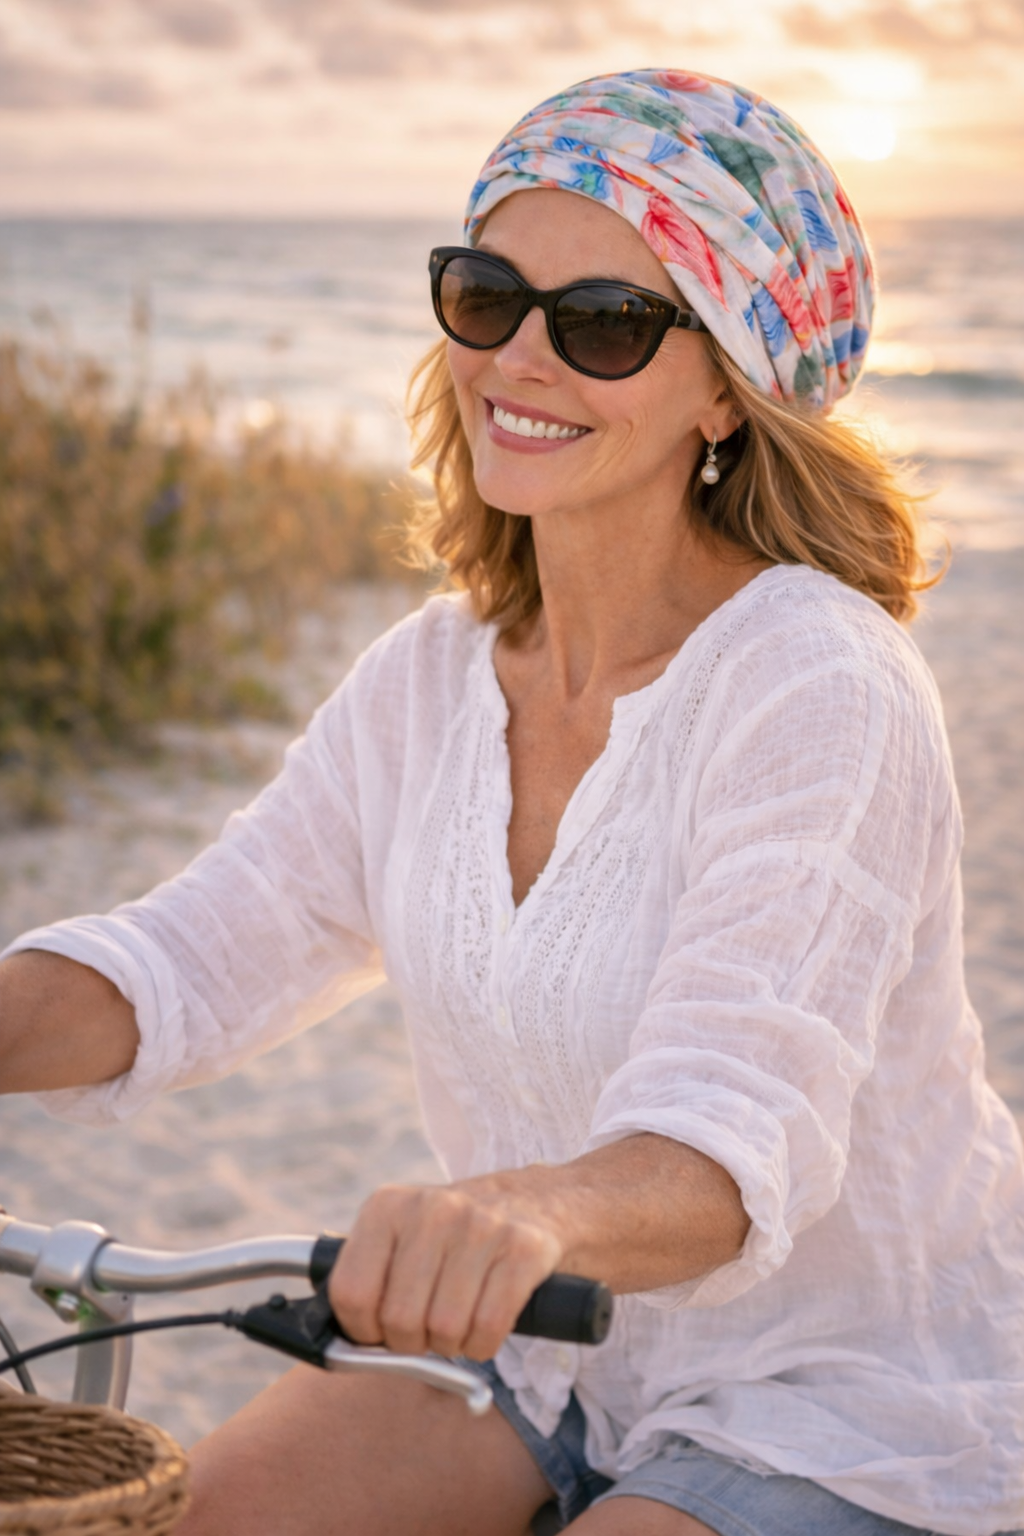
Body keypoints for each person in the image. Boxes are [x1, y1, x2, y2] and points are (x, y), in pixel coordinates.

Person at [1, 68, 1022, 1536]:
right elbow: (190, 958)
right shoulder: (429, 678)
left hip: (851, 1392)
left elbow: (731, 1140)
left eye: (605, 324)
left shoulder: (819, 684)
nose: (522, 360)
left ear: (728, 385)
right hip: (545, 1351)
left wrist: (528, 1212)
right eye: (488, 296)